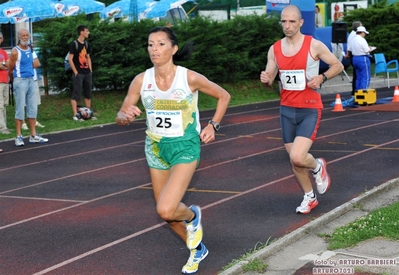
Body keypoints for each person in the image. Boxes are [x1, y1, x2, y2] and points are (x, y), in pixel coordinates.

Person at [116, 26, 230, 274]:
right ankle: (197, 250)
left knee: (167, 209)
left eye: (160, 44)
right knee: (167, 215)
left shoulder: (188, 78)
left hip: (185, 146)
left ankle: (191, 217)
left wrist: (213, 125)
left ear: (173, 49)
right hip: (156, 148)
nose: (154, 49)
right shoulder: (141, 80)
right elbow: (121, 114)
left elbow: (224, 96)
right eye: (150, 44)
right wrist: (125, 115)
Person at [260, 5, 343, 214]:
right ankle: (309, 196)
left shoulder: (313, 45)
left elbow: (337, 65)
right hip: (287, 109)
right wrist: (266, 79)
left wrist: (321, 77)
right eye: (284, 22)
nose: (287, 26)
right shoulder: (275, 49)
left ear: (300, 23)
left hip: (309, 108)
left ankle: (317, 166)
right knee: (295, 161)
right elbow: (270, 77)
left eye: (291, 22)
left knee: (298, 157)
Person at [8, 28, 49, 147]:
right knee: (20, 108)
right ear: (19, 37)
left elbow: (36, 63)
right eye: (23, 35)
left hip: (31, 79)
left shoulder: (30, 49)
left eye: (27, 35)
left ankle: (33, 135)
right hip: (21, 80)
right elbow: (11, 68)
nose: (26, 37)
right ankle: (18, 136)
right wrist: (14, 80)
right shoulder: (15, 51)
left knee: (32, 108)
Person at [68, 25, 96, 121]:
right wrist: (75, 71)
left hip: (87, 72)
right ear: (81, 32)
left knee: (88, 93)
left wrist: (90, 70)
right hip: (79, 73)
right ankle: (76, 114)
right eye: (87, 31)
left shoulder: (87, 44)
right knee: (76, 93)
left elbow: (88, 57)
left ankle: (89, 113)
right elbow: (70, 59)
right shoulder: (74, 44)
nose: (88, 33)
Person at [21, 45, 45, 131]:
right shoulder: (18, 52)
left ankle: (34, 120)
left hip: (33, 79)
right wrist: (28, 64)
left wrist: (26, 65)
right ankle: (22, 122)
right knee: (22, 102)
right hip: (22, 79)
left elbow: (37, 63)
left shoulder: (31, 51)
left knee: (34, 102)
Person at [351, 26, 373, 91]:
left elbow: (350, 49)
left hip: (355, 58)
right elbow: (366, 50)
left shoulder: (353, 39)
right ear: (362, 32)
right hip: (362, 58)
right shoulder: (362, 40)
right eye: (364, 33)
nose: (365, 34)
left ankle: (357, 92)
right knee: (365, 76)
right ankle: (364, 91)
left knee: (358, 77)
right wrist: (370, 48)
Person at [346, 21, 362, 96]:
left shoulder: (352, 34)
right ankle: (355, 91)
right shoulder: (354, 36)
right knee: (356, 74)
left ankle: (355, 90)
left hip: (353, 55)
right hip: (354, 55)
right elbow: (350, 47)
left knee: (356, 74)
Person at [0, 32, 10, 135]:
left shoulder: (3, 52)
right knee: (0, 105)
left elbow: (9, 64)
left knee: (5, 104)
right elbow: (3, 65)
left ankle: (4, 126)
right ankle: (2, 128)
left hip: (5, 80)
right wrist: (4, 64)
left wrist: (3, 64)